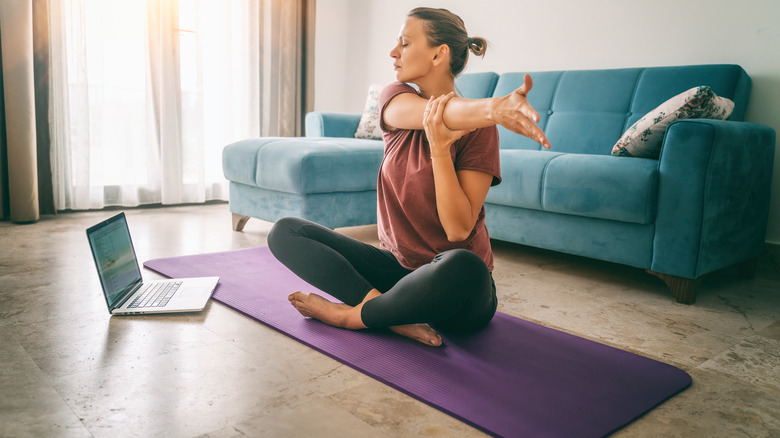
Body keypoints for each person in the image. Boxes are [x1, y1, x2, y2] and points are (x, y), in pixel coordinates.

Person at [268, 7, 550, 347]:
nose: (393, 52)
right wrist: (493, 109)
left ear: (438, 53)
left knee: (464, 264)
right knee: (286, 231)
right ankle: (384, 311)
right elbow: (438, 113)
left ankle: (351, 316)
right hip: (398, 272)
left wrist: (441, 151)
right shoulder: (395, 97)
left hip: (454, 290)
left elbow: (458, 229)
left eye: (404, 43)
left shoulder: (480, 133)